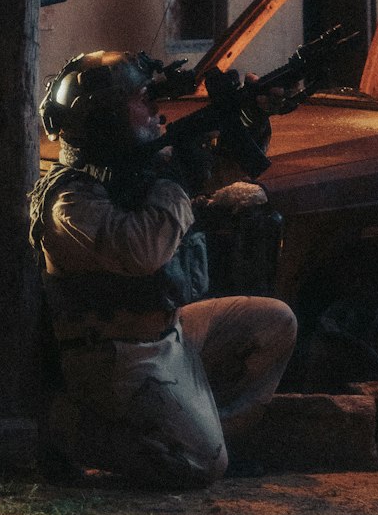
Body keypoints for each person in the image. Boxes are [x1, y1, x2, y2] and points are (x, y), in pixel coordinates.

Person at [29, 50, 298, 488]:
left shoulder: (132, 172)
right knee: (201, 468)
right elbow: (143, 249)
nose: (156, 108)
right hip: (116, 356)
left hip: (168, 333)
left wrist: (250, 116)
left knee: (273, 323)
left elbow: (220, 171)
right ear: (107, 116)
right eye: (141, 98)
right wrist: (177, 179)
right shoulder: (70, 199)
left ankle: (209, 435)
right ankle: (72, 433)